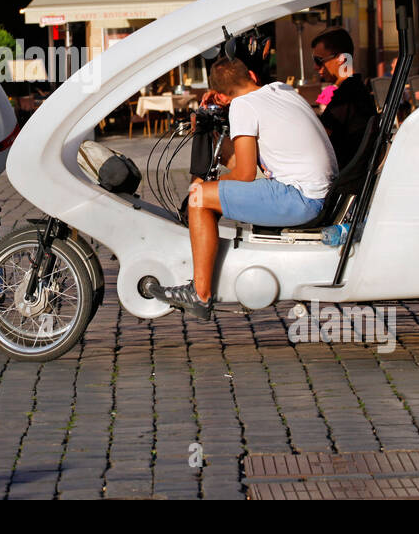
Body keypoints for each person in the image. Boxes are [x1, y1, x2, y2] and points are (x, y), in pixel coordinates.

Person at [152, 57, 336, 319]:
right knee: (208, 193)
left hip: (300, 198)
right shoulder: (281, 90)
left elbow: (245, 173)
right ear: (250, 74)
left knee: (197, 198)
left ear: (221, 96)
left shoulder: (242, 105)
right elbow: (240, 161)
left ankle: (199, 294)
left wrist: (205, 186)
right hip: (321, 191)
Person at [310, 27, 376, 168]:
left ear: (341, 59)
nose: (316, 67)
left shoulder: (348, 95)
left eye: (319, 60)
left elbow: (320, 136)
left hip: (341, 176)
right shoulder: (355, 88)